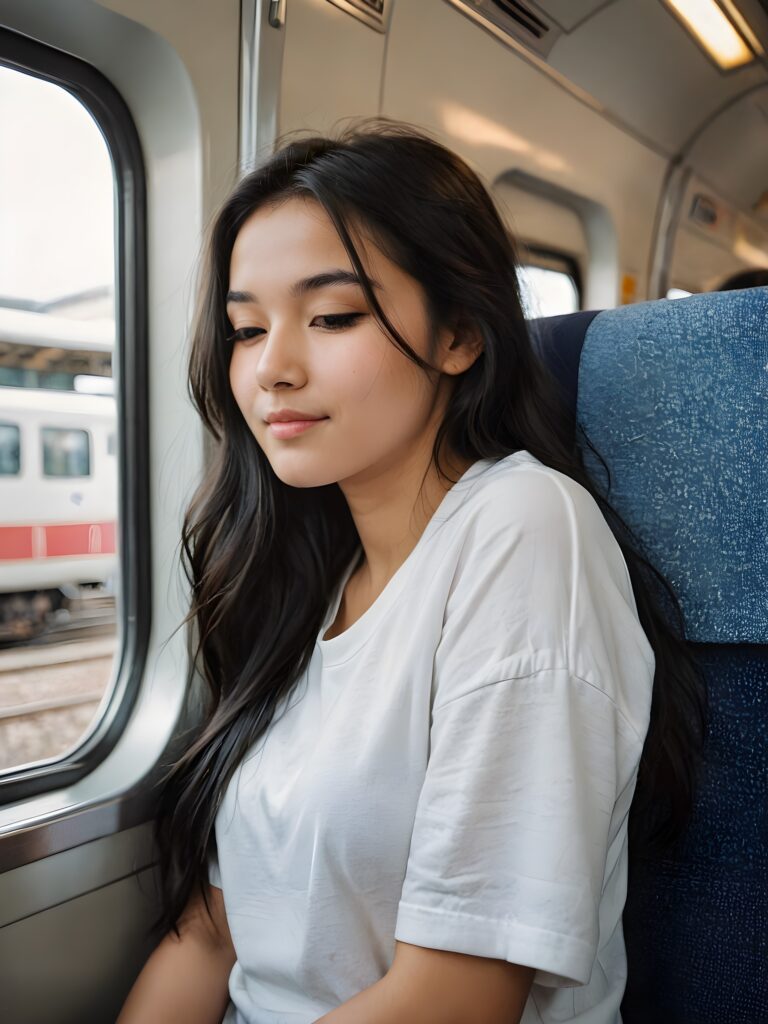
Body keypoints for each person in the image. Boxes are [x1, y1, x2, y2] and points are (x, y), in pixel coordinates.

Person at [117, 118, 707, 1024]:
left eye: (333, 317)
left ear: (459, 336)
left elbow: (459, 998)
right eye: (244, 329)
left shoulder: (523, 528)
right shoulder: (300, 576)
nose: (272, 368)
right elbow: (208, 939)